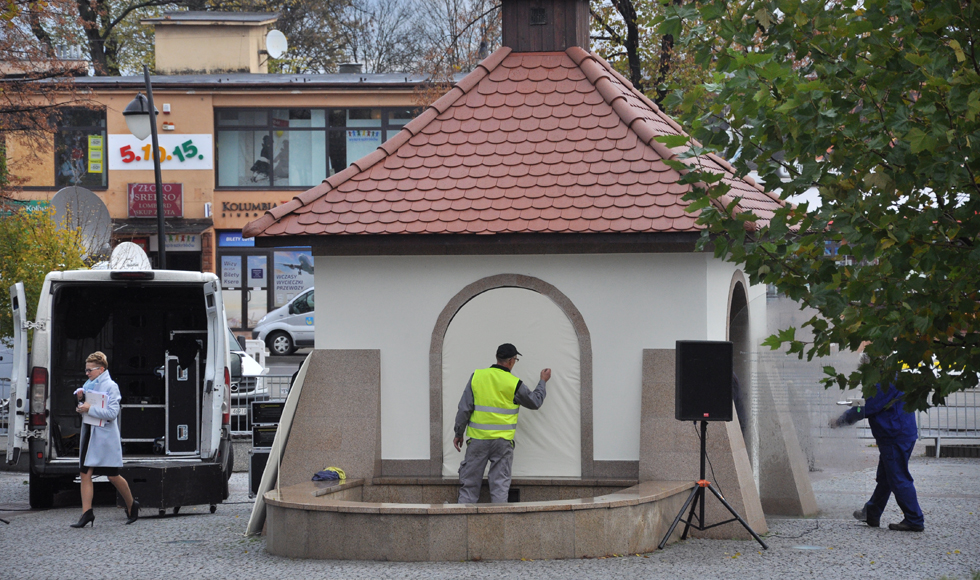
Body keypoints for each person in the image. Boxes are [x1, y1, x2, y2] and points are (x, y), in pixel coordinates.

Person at [829, 354, 924, 532]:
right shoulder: (890, 376)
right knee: (886, 478)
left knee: (898, 478)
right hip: (899, 434)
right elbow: (870, 403)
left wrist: (840, 421)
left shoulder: (882, 383)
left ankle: (914, 519)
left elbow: (866, 407)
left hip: (894, 436)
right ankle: (872, 512)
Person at [453, 343, 551, 503]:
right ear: (512, 361)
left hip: (478, 440)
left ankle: (462, 522)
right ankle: (500, 524)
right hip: (502, 443)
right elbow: (535, 402)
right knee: (500, 487)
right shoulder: (514, 383)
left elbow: (464, 408)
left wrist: (458, 433)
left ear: (497, 358)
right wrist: (543, 381)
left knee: (469, 486)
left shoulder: (477, 376)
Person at [70, 351, 139, 528]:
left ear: (100, 369)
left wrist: (88, 408)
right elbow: (86, 407)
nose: (86, 373)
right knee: (85, 473)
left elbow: (112, 413)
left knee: (113, 476)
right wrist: (80, 403)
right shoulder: (88, 384)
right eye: (86, 370)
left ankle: (132, 504)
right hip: (90, 434)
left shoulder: (111, 386)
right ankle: (87, 513)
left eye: (89, 370)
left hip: (104, 437)